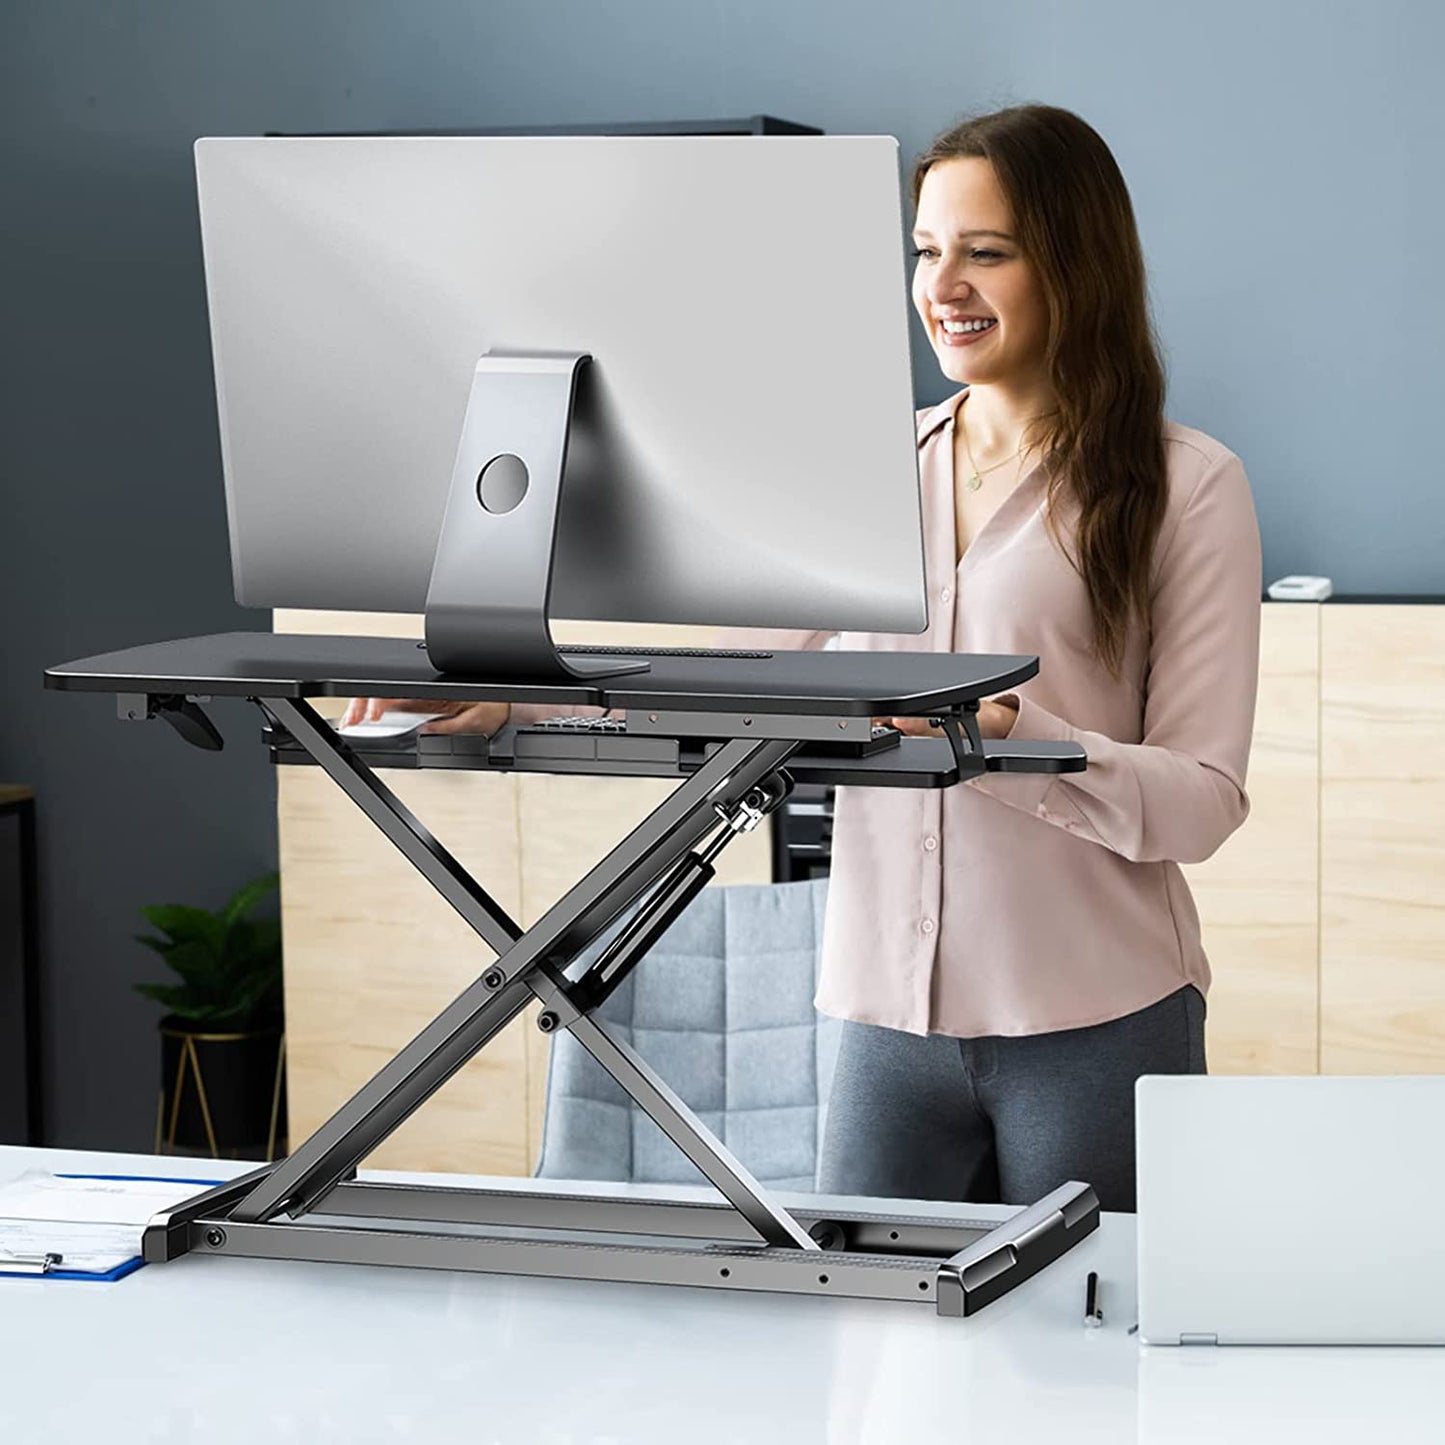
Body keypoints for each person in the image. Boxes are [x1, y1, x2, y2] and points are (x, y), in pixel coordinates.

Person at [343, 104, 1262, 1213]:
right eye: (925, 251)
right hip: (878, 1026)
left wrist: (1013, 737)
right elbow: (722, 689)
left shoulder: (1186, 486)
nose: (942, 286)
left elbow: (1201, 803)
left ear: (1078, 263)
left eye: (986, 251)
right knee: (874, 1365)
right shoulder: (866, 470)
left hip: (1094, 1020)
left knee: (1089, 1365)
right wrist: (510, 708)